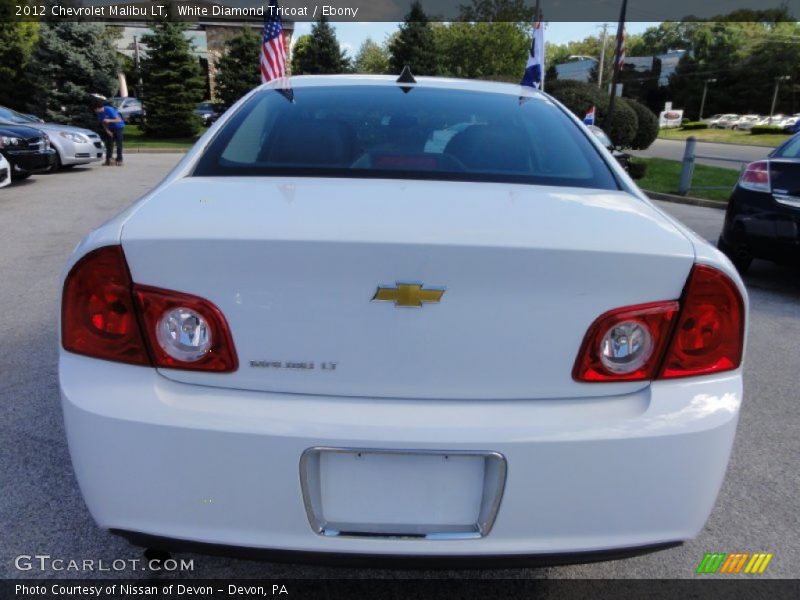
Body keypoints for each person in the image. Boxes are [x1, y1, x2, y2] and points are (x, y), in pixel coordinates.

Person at [92, 100, 125, 166]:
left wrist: (109, 120)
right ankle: (108, 160)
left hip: (118, 127)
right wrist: (107, 131)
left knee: (119, 144)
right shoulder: (99, 113)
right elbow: (103, 123)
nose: (95, 111)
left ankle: (119, 160)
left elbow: (118, 120)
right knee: (109, 145)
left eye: (95, 109)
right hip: (110, 128)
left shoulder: (109, 110)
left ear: (98, 108)